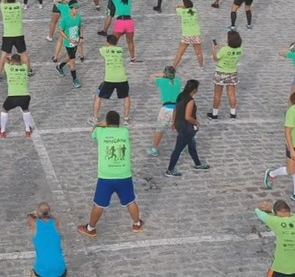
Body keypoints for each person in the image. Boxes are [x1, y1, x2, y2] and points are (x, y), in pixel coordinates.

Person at [78, 110, 144, 238]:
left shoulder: (100, 132)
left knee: (99, 204)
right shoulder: (125, 132)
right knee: (130, 201)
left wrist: (100, 124)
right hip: (124, 174)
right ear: (118, 122)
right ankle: (137, 224)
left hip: (106, 176)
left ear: (107, 122)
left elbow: (93, 131)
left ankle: (90, 228)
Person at [165, 79, 211, 176]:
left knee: (192, 145)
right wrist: (196, 122)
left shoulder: (180, 95)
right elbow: (188, 117)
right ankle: (170, 170)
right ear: (194, 89)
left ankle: (198, 163)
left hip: (179, 124)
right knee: (178, 149)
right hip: (187, 127)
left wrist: (173, 122)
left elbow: (175, 110)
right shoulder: (190, 100)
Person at [254, 200, 295, 277]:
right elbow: (288, 214)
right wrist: (271, 209)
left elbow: (260, 214)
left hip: (280, 268)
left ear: (276, 213)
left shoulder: (275, 221)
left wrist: (258, 208)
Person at [91, 35, 132, 124]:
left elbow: (102, 50)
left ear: (107, 42)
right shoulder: (121, 50)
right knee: (126, 96)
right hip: (122, 78)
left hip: (109, 78)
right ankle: (126, 119)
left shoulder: (104, 50)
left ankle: (95, 118)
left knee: (99, 96)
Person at [0, 0, 33, 79]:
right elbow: (19, 2)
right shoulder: (18, 5)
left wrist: (5, 0)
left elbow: (3, 1)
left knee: (4, 55)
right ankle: (29, 71)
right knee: (23, 53)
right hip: (19, 34)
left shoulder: (3, 6)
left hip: (8, 34)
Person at [146, 66, 182, 157]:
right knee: (181, 129)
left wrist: (162, 75)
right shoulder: (178, 81)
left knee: (160, 129)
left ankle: (154, 148)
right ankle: (184, 146)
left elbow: (152, 76)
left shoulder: (162, 82)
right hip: (177, 108)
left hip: (166, 109)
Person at [208, 30, 244, 120]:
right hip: (232, 73)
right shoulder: (240, 50)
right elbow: (231, 51)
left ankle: (215, 114)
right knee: (232, 94)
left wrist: (213, 48)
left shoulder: (224, 50)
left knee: (217, 95)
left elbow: (216, 58)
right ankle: (233, 114)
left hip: (221, 73)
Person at [28, 202, 67, 277]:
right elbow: (55, 217)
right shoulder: (55, 223)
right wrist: (48, 214)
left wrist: (36, 213)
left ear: (38, 214)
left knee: (32, 274)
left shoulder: (34, 224)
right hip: (60, 268)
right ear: (49, 213)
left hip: (42, 269)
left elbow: (29, 216)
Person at [55, 0, 83, 89]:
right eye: (75, 9)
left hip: (76, 41)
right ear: (71, 9)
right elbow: (61, 31)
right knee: (72, 61)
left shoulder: (78, 17)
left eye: (77, 8)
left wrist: (81, 37)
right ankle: (75, 79)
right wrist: (69, 39)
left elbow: (80, 26)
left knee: (71, 57)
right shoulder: (65, 19)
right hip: (69, 43)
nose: (77, 10)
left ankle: (60, 66)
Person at [171, 0, 204, 69]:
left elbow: (176, 8)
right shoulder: (195, 11)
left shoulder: (182, 11)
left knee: (180, 53)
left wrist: (180, 5)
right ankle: (201, 66)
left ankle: (173, 67)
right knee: (199, 53)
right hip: (196, 34)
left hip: (186, 35)